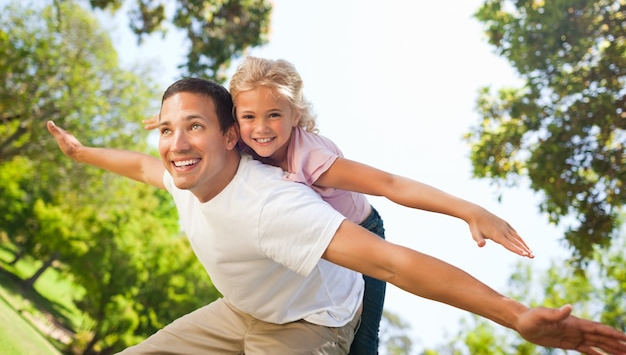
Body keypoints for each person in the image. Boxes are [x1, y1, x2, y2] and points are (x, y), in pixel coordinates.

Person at [48, 78, 626, 355]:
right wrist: (82, 153)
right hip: (241, 311)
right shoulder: (182, 174)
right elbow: (139, 166)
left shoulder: (277, 202)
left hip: (311, 321)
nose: (175, 144)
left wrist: (516, 313)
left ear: (230, 136)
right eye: (168, 129)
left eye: (194, 126)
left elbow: (395, 262)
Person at [144, 57, 535, 355]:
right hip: (315, 245)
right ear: (235, 122)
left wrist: (467, 210)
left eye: (274, 116)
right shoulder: (240, 139)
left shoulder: (311, 158)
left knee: (362, 338)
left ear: (295, 116)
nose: (261, 128)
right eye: (249, 117)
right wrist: (178, 124)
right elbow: (182, 143)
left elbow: (390, 184)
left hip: (362, 229)